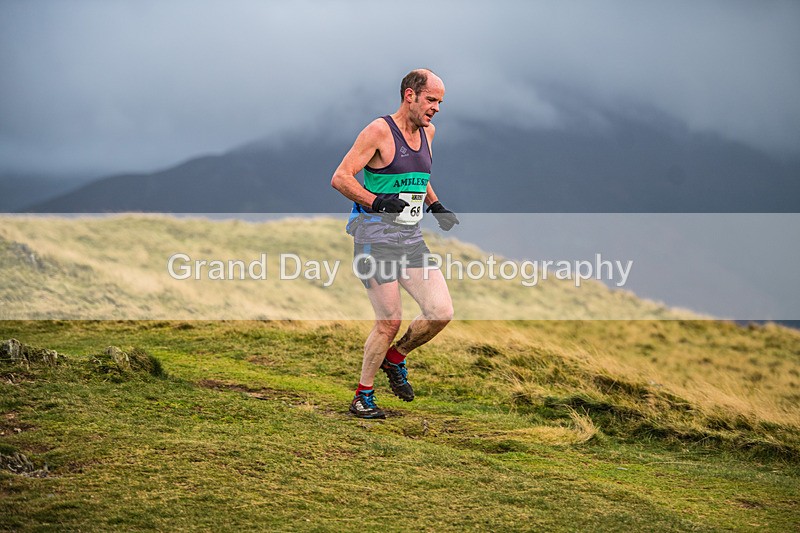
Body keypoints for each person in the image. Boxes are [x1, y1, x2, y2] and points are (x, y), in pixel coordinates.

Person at [331, 68, 460, 419]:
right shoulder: (378, 131)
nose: (436, 108)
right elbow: (340, 177)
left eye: (440, 102)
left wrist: (435, 205)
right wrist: (377, 202)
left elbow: (419, 176)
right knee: (388, 321)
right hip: (374, 239)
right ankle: (362, 396)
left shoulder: (429, 132)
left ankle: (396, 357)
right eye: (431, 100)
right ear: (410, 95)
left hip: (410, 239)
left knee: (441, 312)